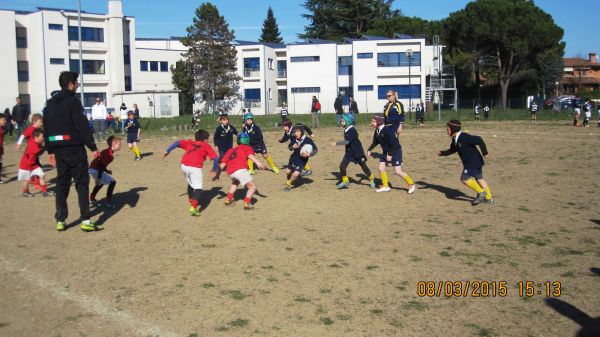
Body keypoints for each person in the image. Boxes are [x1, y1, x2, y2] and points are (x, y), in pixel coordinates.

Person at [44, 71, 100, 232]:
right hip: (74, 148)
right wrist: (92, 146)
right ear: (70, 84)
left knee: (62, 184)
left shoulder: (49, 104)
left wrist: (50, 150)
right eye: (76, 82)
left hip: (58, 149)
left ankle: (60, 220)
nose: (77, 85)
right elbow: (82, 126)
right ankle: (86, 220)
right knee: (82, 184)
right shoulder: (73, 102)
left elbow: (47, 128)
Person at [162, 130, 218, 216]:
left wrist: (168, 150)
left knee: (191, 183)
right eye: (208, 139)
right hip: (195, 167)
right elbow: (216, 159)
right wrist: (214, 169)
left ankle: (191, 200)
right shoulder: (206, 146)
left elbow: (177, 142)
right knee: (198, 188)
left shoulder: (190, 142)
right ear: (205, 139)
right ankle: (194, 207)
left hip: (184, 165)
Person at [438, 119, 493, 205]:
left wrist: (485, 153)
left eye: (448, 129)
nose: (446, 131)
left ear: (453, 129)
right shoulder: (455, 139)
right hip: (475, 162)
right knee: (479, 178)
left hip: (473, 162)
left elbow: (479, 140)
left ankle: (481, 192)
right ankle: (489, 198)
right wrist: (442, 153)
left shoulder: (464, 137)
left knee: (464, 178)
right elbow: (453, 150)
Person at [214, 132, 265, 210]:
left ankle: (228, 199)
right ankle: (246, 204)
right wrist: (258, 162)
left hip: (230, 171)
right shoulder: (247, 147)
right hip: (240, 170)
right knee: (252, 187)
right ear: (247, 140)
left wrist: (217, 174)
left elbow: (222, 165)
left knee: (236, 182)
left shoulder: (231, 150)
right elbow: (250, 155)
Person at [367, 115, 416, 194]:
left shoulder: (387, 130)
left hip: (395, 151)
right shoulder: (377, 130)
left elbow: (394, 144)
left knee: (398, 171)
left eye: (373, 121)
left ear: (379, 122)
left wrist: (390, 154)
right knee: (381, 168)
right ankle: (386, 186)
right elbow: (375, 142)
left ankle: (411, 184)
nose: (372, 123)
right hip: (386, 151)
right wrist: (369, 149)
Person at [331, 113, 375, 189]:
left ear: (348, 121)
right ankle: (345, 181)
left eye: (343, 120)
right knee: (342, 167)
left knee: (363, 166)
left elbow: (347, 141)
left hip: (357, 152)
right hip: (349, 152)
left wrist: (336, 143)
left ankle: (371, 178)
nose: (341, 121)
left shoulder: (352, 130)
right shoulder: (346, 129)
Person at [18, 129, 54, 197]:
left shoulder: (37, 142)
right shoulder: (33, 144)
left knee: (42, 175)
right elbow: (39, 152)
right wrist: (45, 147)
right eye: (42, 136)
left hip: (34, 164)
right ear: (36, 137)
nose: (43, 138)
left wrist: (47, 143)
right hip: (26, 165)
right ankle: (25, 192)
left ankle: (44, 192)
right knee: (26, 180)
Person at [89, 135, 121, 209]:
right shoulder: (109, 155)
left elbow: (101, 164)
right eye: (119, 144)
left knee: (101, 183)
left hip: (93, 168)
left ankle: (92, 198)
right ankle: (109, 202)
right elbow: (100, 166)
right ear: (113, 144)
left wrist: (106, 171)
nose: (120, 146)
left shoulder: (107, 151)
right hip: (95, 169)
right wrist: (99, 178)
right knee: (112, 182)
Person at [284, 125, 318, 191]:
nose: (296, 134)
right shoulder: (294, 138)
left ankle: (288, 184)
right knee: (287, 172)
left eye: (298, 132)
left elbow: (315, 149)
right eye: (295, 132)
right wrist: (293, 147)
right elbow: (290, 147)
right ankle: (291, 179)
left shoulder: (308, 140)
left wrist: (309, 154)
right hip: (293, 159)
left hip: (302, 161)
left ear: (302, 132)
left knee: (295, 174)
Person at [0, 115, 5, 184]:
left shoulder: (1, 128)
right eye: (3, 120)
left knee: (1, 163)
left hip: (0, 147)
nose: (5, 121)